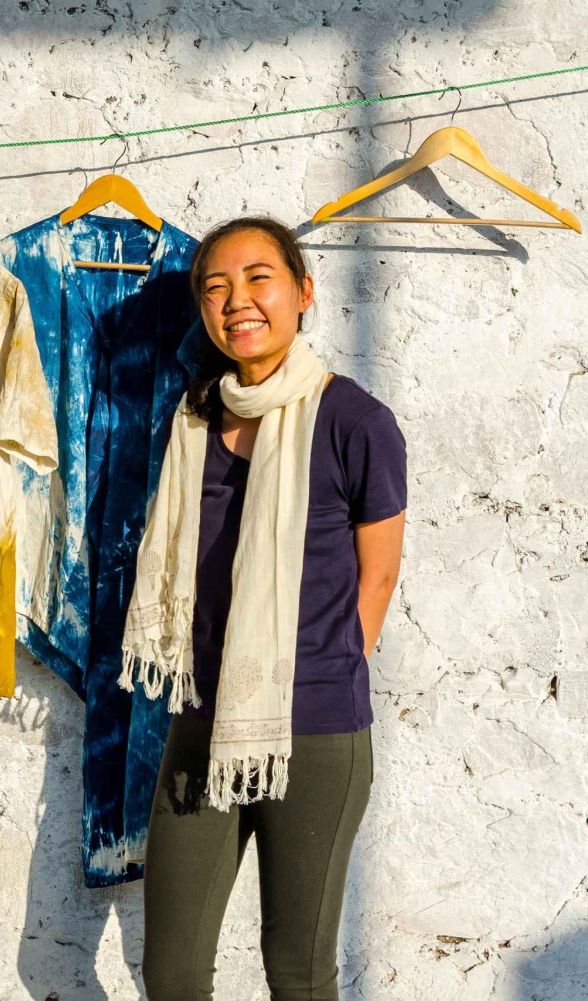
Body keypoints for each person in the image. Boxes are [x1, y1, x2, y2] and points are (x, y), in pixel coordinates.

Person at [129, 217, 407, 1000]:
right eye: (215, 288)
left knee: (298, 973)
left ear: (303, 292)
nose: (237, 302)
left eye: (259, 279)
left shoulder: (356, 421)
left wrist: (312, 679)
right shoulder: (194, 418)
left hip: (315, 734)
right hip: (201, 722)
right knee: (173, 971)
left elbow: (378, 577)